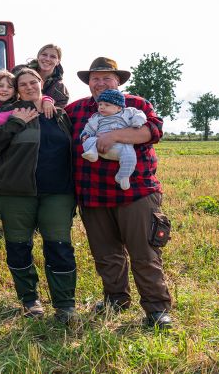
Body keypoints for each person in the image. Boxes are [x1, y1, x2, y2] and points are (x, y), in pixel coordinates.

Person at [65, 57, 173, 329]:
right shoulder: (76, 110)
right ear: (88, 82)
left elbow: (153, 130)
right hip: (93, 194)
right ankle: (116, 299)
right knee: (106, 254)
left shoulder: (136, 105)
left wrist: (114, 137)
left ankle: (156, 308)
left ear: (118, 82)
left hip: (135, 192)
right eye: (95, 78)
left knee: (145, 253)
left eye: (106, 78)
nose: (100, 83)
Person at [0, 67, 78, 324]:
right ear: (17, 90)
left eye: (33, 82)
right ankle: (29, 300)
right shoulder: (8, 112)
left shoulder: (59, 116)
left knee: (60, 247)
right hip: (16, 193)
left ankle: (65, 305)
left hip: (58, 192)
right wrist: (16, 122)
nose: (28, 86)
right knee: (18, 247)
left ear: (41, 84)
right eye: (22, 84)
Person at [80, 89, 147, 190]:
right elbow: (88, 128)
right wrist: (85, 135)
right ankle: (91, 153)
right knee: (88, 140)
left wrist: (137, 121)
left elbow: (140, 115)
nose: (102, 107)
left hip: (121, 146)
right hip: (98, 146)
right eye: (100, 104)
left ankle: (122, 176)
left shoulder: (128, 112)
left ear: (119, 107)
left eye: (107, 105)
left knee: (130, 156)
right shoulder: (96, 117)